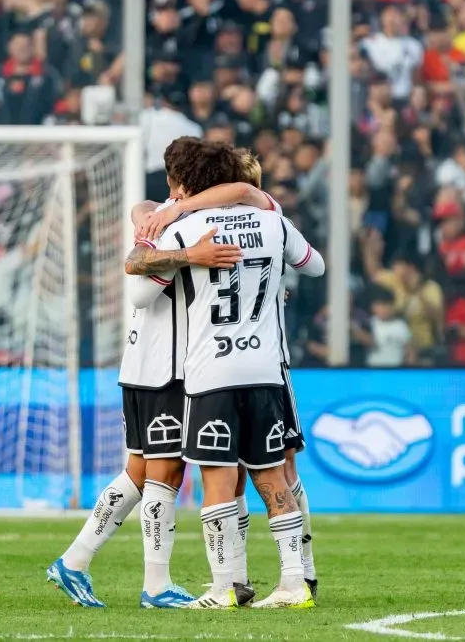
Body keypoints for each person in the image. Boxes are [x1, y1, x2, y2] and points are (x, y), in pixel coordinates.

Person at [46, 139, 278, 608]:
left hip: (157, 363)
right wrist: (189, 254)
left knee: (138, 472)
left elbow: (155, 205)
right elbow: (137, 289)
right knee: (164, 472)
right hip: (163, 366)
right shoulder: (177, 224)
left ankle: (74, 561)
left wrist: (156, 213)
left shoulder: (175, 212)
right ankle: (153, 584)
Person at [127, 153, 325, 610]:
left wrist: (178, 256)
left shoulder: (185, 230)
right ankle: (295, 582)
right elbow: (314, 266)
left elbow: (139, 290)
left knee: (219, 481)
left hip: (211, 373)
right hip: (266, 370)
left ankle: (224, 588)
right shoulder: (272, 221)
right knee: (273, 476)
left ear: (189, 187)